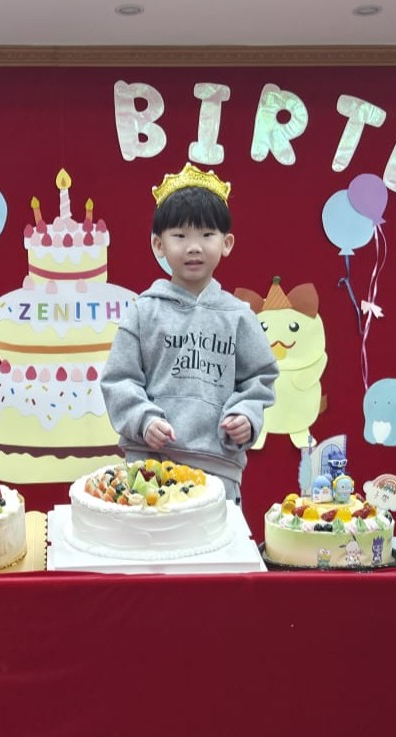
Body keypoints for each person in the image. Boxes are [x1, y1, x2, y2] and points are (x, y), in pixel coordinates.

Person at [101, 163, 279, 504]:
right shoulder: (143, 311)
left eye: (207, 235)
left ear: (226, 243)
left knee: (214, 540)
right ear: (158, 244)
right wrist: (143, 420)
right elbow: (118, 379)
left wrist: (247, 415)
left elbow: (260, 380)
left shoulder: (239, 317)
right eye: (180, 236)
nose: (194, 247)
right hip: (149, 469)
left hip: (218, 474)